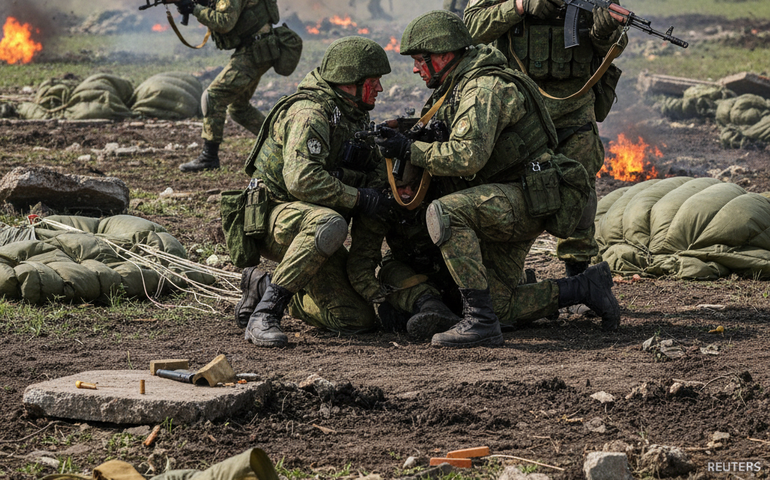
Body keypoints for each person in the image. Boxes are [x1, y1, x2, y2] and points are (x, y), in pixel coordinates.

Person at [371, 10, 620, 347]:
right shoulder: (457, 84)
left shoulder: (483, 88)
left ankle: (480, 321)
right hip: (509, 197)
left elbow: (466, 156)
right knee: (502, 306)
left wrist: (409, 150)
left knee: (447, 213)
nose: (416, 69)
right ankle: (583, 287)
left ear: (444, 55)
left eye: (420, 60)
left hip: (523, 198)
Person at [233, 36, 393, 347]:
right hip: (275, 217)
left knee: (354, 321)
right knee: (328, 223)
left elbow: (372, 168)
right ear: (350, 81)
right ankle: (265, 315)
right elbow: (302, 180)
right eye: (373, 81)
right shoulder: (310, 113)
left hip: (312, 226)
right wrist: (359, 198)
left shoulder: (353, 113)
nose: (380, 89)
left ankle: (263, 284)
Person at [464, 0, 627, 276]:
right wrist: (519, 6)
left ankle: (579, 278)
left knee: (581, 189)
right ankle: (502, 277)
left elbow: (615, 45)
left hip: (574, 105)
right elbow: (472, 27)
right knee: (507, 189)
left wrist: (604, 34)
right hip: (518, 106)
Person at [175, 0, 281, 172]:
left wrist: (194, 8)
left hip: (254, 51)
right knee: (239, 108)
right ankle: (282, 143)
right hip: (260, 47)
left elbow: (224, 22)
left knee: (213, 96)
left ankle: (209, 158)